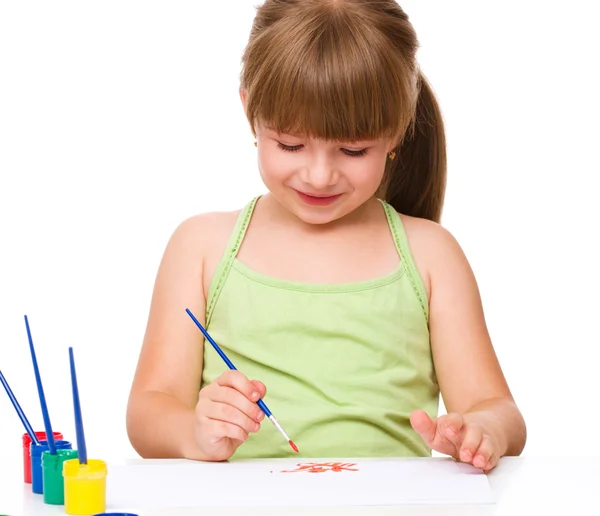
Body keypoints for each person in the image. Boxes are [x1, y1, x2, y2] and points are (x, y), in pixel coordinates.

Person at [126, 0, 526, 471]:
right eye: (291, 144)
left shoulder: (431, 255)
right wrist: (193, 432)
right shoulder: (200, 248)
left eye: (353, 150)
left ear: (397, 131)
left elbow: (498, 409)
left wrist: (483, 431)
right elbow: (148, 410)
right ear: (250, 111)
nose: (319, 176)